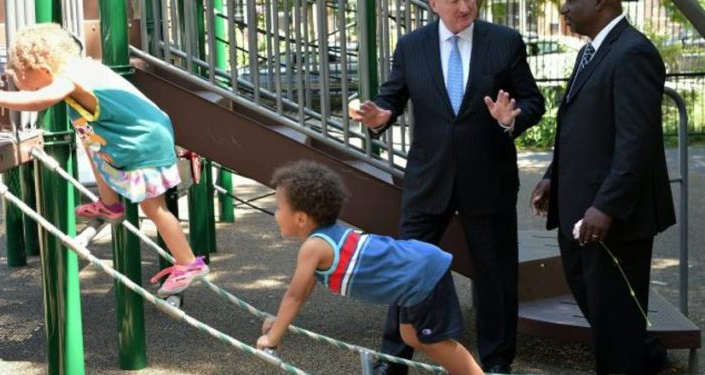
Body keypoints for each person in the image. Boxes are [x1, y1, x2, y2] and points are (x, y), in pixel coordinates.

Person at [349, 0, 545, 372]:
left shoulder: (505, 41)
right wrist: (380, 115)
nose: (465, 5)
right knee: (407, 268)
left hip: (489, 178)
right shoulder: (411, 45)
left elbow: (534, 101)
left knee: (495, 277)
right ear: (434, 3)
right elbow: (392, 98)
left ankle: (497, 363)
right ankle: (393, 360)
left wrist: (512, 118)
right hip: (429, 179)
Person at [0, 24, 208, 297]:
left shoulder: (69, 78)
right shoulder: (84, 68)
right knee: (91, 143)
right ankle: (109, 205)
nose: (28, 92)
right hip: (140, 135)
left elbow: (39, 101)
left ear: (45, 71)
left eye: (30, 86)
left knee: (154, 208)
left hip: (144, 143)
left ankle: (188, 262)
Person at [529, 1, 675, 373]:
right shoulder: (591, 51)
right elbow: (581, 127)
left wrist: (607, 206)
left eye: (571, 0)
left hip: (614, 220)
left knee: (616, 325)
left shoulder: (634, 52)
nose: (563, 8)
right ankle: (649, 359)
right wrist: (552, 175)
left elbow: (636, 142)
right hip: (578, 210)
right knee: (608, 318)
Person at [256, 160, 483, 375]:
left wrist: (273, 338)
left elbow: (294, 296)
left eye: (278, 208)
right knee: (411, 336)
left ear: (301, 218)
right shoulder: (323, 239)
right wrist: (279, 323)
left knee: (434, 341)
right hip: (414, 274)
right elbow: (301, 293)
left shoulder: (314, 247)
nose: (276, 214)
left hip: (421, 274)